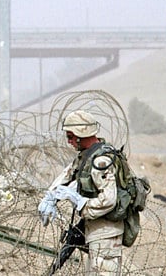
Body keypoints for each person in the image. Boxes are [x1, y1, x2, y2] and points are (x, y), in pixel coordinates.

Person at [38, 110, 124, 275]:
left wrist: (81, 202)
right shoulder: (86, 156)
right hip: (94, 229)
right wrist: (50, 197)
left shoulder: (101, 161)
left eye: (70, 137)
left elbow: (109, 200)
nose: (69, 141)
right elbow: (67, 174)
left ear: (80, 134)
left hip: (106, 232)